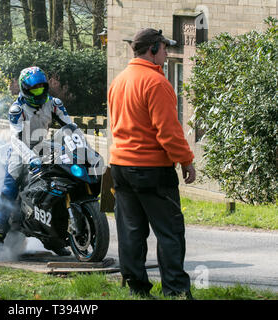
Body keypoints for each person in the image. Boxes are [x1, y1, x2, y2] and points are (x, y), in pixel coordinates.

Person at [108, 28, 196, 299]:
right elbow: (168, 132)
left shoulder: (119, 81)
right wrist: (186, 160)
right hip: (151, 168)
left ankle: (137, 289)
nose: (168, 54)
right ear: (153, 49)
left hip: (120, 166)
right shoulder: (156, 83)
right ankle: (176, 290)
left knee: (131, 231)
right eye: (165, 48)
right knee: (169, 231)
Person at [0, 66, 73, 256]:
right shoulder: (17, 109)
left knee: (59, 185)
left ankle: (55, 239)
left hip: (43, 146)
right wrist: (31, 158)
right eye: (34, 89)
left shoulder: (54, 103)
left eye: (42, 88)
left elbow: (70, 125)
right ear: (25, 89)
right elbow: (16, 139)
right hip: (20, 150)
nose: (39, 92)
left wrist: (76, 144)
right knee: (8, 190)